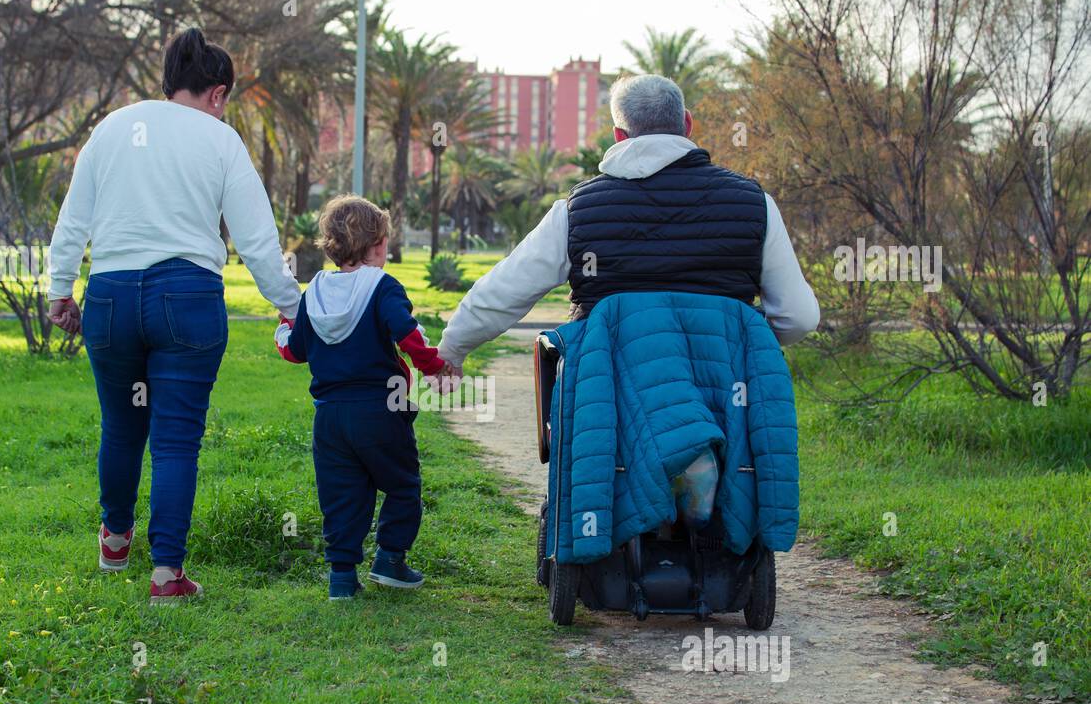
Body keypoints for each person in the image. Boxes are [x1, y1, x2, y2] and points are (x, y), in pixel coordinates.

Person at [46, 27, 301, 605]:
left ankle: (114, 543)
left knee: (120, 425)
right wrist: (293, 308)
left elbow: (73, 218)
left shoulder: (111, 128)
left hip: (110, 294)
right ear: (217, 93)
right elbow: (258, 241)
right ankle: (166, 575)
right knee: (177, 440)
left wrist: (61, 289)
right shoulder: (221, 141)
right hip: (187, 296)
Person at [435, 73, 820, 373]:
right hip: (724, 387)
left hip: (608, 387)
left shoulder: (575, 211)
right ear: (687, 124)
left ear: (619, 135)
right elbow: (799, 318)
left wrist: (452, 348)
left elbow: (506, 290)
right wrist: (741, 336)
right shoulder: (756, 204)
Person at [274, 196, 446, 600]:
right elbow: (409, 335)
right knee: (403, 484)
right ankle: (389, 559)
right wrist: (435, 366)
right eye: (384, 241)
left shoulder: (312, 292)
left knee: (341, 493)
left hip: (329, 417)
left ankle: (341, 577)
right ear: (375, 246)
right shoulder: (383, 286)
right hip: (380, 409)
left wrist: (284, 326)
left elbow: (294, 350)